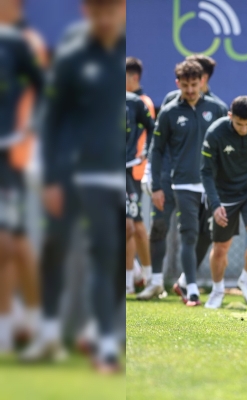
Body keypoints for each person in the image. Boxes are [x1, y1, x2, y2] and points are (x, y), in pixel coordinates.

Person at [22, 0, 126, 374]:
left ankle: (103, 340)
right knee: (56, 250)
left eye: (110, 11)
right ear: (87, 13)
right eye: (97, 12)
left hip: (113, 178)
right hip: (71, 175)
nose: (104, 19)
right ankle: (49, 332)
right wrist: (51, 177)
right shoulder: (71, 58)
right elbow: (50, 121)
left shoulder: (127, 59)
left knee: (109, 257)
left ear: (122, 10)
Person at [138, 54, 228, 300]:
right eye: (185, 85)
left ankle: (184, 281)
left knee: (206, 232)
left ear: (203, 81)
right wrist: (155, 181)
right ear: (178, 83)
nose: (189, 90)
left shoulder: (217, 108)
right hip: (173, 180)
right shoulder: (170, 107)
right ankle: (160, 282)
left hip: (207, 183)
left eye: (194, 84)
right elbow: (157, 148)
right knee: (163, 227)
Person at [200, 96, 247, 309]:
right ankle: (218, 290)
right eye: (238, 124)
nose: (243, 129)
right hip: (224, 196)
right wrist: (215, 204)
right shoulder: (215, 133)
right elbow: (206, 172)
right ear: (230, 116)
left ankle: (245, 280)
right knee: (220, 248)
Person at [0, 17, 44, 356]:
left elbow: (43, 92)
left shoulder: (19, 45)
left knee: (10, 242)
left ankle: (29, 318)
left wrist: (24, 137)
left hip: (10, 158)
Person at [125, 56, 155, 289]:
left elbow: (148, 136)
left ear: (134, 77)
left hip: (134, 169)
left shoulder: (141, 102)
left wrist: (143, 161)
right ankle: (136, 273)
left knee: (134, 225)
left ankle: (143, 275)